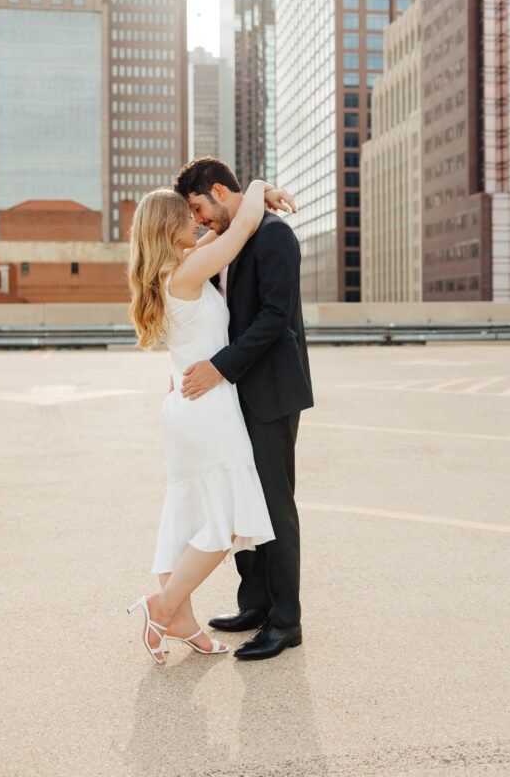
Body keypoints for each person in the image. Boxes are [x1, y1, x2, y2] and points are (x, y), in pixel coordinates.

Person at [126, 178, 296, 664]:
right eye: (187, 214)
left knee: (185, 513)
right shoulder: (188, 269)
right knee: (224, 522)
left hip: (187, 405)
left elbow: (220, 234)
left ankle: (181, 622)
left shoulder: (174, 268)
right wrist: (260, 186)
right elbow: (241, 226)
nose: (196, 219)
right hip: (208, 407)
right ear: (169, 224)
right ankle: (164, 605)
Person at [174, 157, 314, 661]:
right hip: (236, 393)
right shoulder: (230, 237)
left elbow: (276, 318)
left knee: (276, 506)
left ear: (217, 190)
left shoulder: (274, 236)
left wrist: (219, 367)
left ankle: (286, 621)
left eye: (199, 208)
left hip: (271, 392)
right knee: (244, 502)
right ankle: (254, 603)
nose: (199, 221)